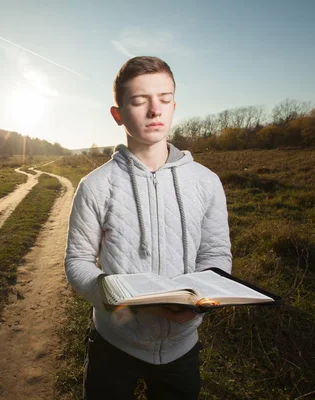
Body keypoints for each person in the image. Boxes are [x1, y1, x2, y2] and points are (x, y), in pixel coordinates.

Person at [64, 56, 232, 399]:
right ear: (118, 114)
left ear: (173, 106)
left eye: (165, 99)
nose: (155, 110)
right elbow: (77, 262)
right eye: (140, 101)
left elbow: (216, 253)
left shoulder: (207, 181)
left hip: (182, 348)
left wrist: (202, 299)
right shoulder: (95, 185)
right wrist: (131, 300)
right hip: (114, 345)